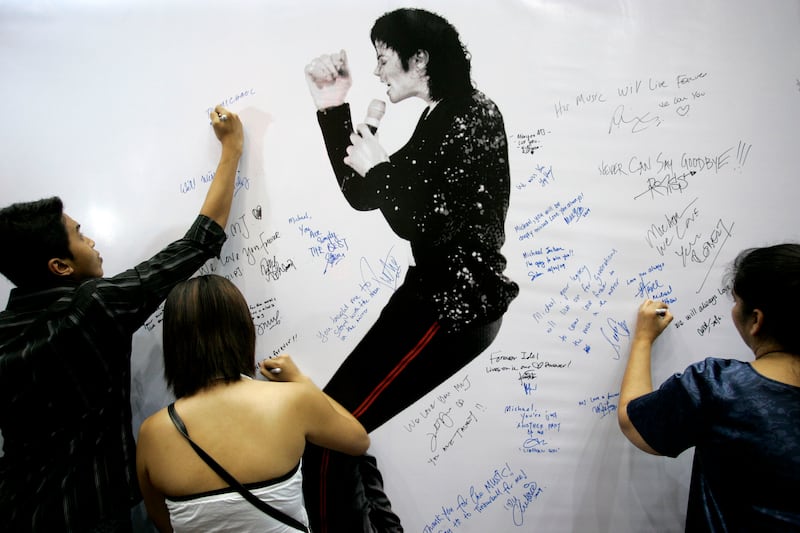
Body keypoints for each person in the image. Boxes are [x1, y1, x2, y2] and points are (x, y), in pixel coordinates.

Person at [303, 7, 519, 531]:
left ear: (418, 58)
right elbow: (364, 193)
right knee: (338, 434)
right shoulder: (440, 115)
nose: (377, 71)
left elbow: (423, 224)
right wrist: (331, 105)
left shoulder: (472, 114)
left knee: (328, 440)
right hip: (438, 298)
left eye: (383, 58)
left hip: (453, 307)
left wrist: (381, 168)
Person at [0, 105, 243, 532]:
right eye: (79, 234)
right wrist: (232, 148)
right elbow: (197, 243)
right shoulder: (91, 309)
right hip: (96, 511)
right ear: (60, 266)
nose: (91, 240)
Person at [135, 275, 370, 533]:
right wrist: (301, 381)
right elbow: (357, 440)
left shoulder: (152, 434)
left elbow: (163, 523)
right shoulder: (290, 400)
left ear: (174, 344)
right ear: (243, 330)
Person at [618, 244, 800, 531]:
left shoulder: (718, 386)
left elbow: (635, 422)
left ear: (756, 320)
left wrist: (642, 339)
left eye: (736, 301)